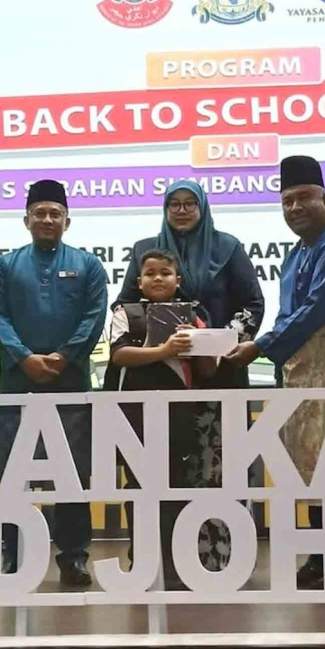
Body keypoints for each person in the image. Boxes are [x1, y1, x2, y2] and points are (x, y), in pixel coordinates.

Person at [226, 155, 325, 590]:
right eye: (287, 201)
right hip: (305, 365)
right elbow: (288, 314)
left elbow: (315, 311)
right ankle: (322, 556)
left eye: (304, 198)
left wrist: (260, 347)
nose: (295, 208)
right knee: (310, 463)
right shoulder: (296, 253)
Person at [114, 180, 264, 567]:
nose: (181, 211)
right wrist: (158, 344)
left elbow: (252, 304)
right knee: (158, 474)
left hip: (220, 374)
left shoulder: (228, 247)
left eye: (189, 204)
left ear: (202, 207)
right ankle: (158, 559)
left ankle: (218, 560)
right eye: (174, 204)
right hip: (156, 380)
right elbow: (126, 303)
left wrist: (218, 341)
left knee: (219, 468)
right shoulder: (144, 250)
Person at [0, 180, 109, 586]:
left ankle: (73, 557)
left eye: (55, 213)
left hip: (69, 381)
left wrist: (63, 356)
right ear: (26, 220)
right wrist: (24, 357)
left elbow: (93, 316)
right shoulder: (3, 267)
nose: (47, 219)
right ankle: (14, 555)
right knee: (14, 472)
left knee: (71, 473)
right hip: (16, 380)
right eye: (39, 213)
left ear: (67, 221)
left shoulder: (89, 266)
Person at [106, 248, 217, 589]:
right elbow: (119, 355)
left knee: (178, 486)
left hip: (180, 416)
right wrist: (164, 351)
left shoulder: (194, 315)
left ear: (177, 280)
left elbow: (208, 370)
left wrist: (199, 341)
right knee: (138, 488)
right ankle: (141, 562)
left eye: (165, 273)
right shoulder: (125, 312)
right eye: (150, 273)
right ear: (139, 281)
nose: (158, 278)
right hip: (134, 417)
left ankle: (175, 563)